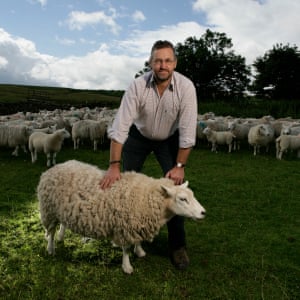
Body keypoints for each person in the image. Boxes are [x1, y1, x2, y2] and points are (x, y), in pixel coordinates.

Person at [100, 40, 198, 270]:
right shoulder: (137, 86)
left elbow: (187, 131)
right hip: (138, 136)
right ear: (150, 62)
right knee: (125, 187)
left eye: (167, 60)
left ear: (174, 63)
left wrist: (180, 165)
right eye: (157, 60)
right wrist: (114, 165)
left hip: (169, 140)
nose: (162, 65)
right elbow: (120, 127)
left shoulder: (186, 87)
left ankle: (177, 246)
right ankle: (122, 233)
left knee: (175, 188)